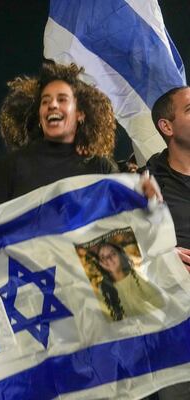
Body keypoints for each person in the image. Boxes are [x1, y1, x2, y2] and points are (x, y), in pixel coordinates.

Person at [0, 62, 160, 253]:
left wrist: (145, 202)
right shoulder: (10, 167)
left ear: (80, 113)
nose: (52, 105)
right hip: (31, 283)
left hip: (84, 283)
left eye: (62, 99)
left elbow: (121, 230)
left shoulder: (101, 168)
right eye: (45, 101)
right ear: (39, 115)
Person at [146, 86, 190, 400]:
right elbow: (107, 256)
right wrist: (161, 256)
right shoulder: (144, 186)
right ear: (167, 127)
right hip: (173, 334)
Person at [95, 242, 164, 321]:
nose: (109, 259)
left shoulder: (136, 275)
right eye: (103, 257)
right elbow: (109, 319)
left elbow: (160, 301)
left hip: (155, 323)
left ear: (120, 254)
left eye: (113, 254)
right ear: (100, 263)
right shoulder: (103, 288)